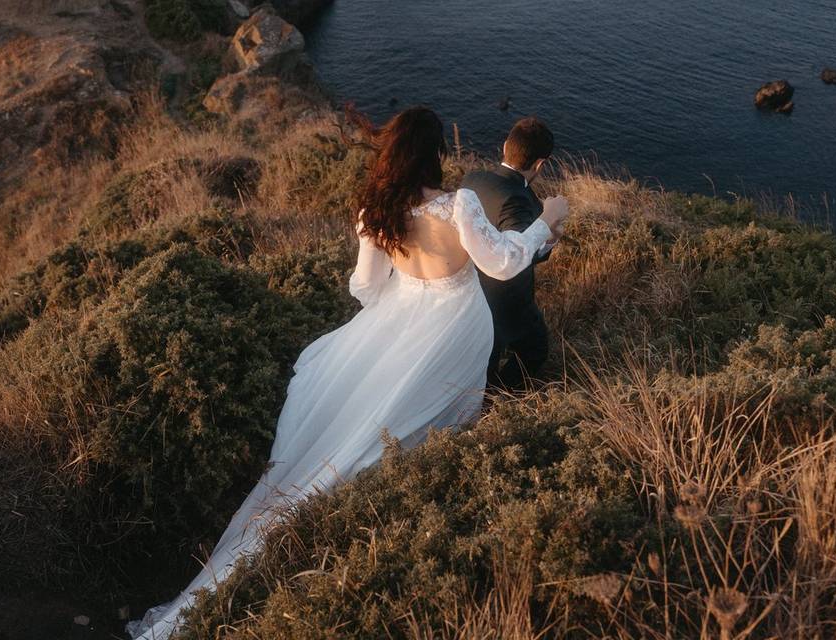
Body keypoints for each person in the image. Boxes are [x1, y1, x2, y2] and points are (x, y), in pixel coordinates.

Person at [126, 107, 570, 640]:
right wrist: (547, 219)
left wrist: (402, 300)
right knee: (423, 418)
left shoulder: (376, 207)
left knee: (370, 417)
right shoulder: (458, 206)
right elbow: (501, 261)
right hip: (456, 326)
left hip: (404, 317)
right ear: (434, 155)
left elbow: (364, 286)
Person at [462, 117, 567, 391]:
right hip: (505, 300)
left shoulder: (473, 178)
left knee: (482, 360)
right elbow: (519, 255)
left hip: (466, 287)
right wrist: (549, 237)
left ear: (506, 145)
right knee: (535, 349)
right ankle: (496, 398)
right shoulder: (521, 200)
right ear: (541, 164)